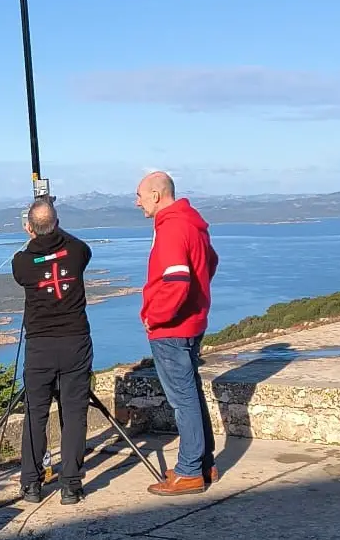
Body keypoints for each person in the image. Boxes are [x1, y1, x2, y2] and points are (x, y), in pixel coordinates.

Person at [134, 171, 219, 496]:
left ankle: (189, 472)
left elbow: (176, 281)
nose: (137, 202)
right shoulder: (192, 223)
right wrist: (197, 297)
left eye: (140, 195)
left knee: (182, 400)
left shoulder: (171, 227)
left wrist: (154, 317)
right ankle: (203, 463)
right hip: (193, 322)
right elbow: (210, 262)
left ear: (156, 195)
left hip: (171, 328)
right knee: (191, 394)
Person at [11, 197, 94, 506]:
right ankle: (70, 486)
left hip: (40, 347)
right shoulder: (75, 251)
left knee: (36, 413)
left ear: (29, 228)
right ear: (57, 224)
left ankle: (31, 484)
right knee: (74, 413)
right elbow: (81, 247)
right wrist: (52, 228)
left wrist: (37, 234)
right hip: (75, 342)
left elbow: (28, 259)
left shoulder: (22, 263)